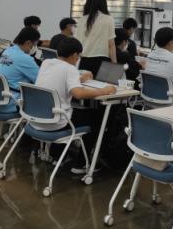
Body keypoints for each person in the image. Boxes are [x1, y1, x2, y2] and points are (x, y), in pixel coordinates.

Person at [35, 37, 116, 173]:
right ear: (74, 55)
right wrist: (104, 90)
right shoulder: (69, 68)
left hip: (39, 118)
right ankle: (81, 164)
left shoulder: (47, 63)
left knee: (79, 113)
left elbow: (59, 79)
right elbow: (78, 93)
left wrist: (79, 79)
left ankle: (57, 157)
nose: (79, 59)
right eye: (79, 56)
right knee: (97, 119)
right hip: (56, 122)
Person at [0, 27, 41, 113]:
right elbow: (41, 81)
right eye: (34, 45)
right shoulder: (25, 58)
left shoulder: (7, 51)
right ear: (28, 43)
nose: (34, 48)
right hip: (12, 104)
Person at [76, 0, 116, 76]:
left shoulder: (81, 20)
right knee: (102, 85)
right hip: (101, 62)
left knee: (86, 84)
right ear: (103, 4)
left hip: (84, 62)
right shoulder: (108, 19)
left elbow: (77, 43)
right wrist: (114, 64)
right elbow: (111, 45)